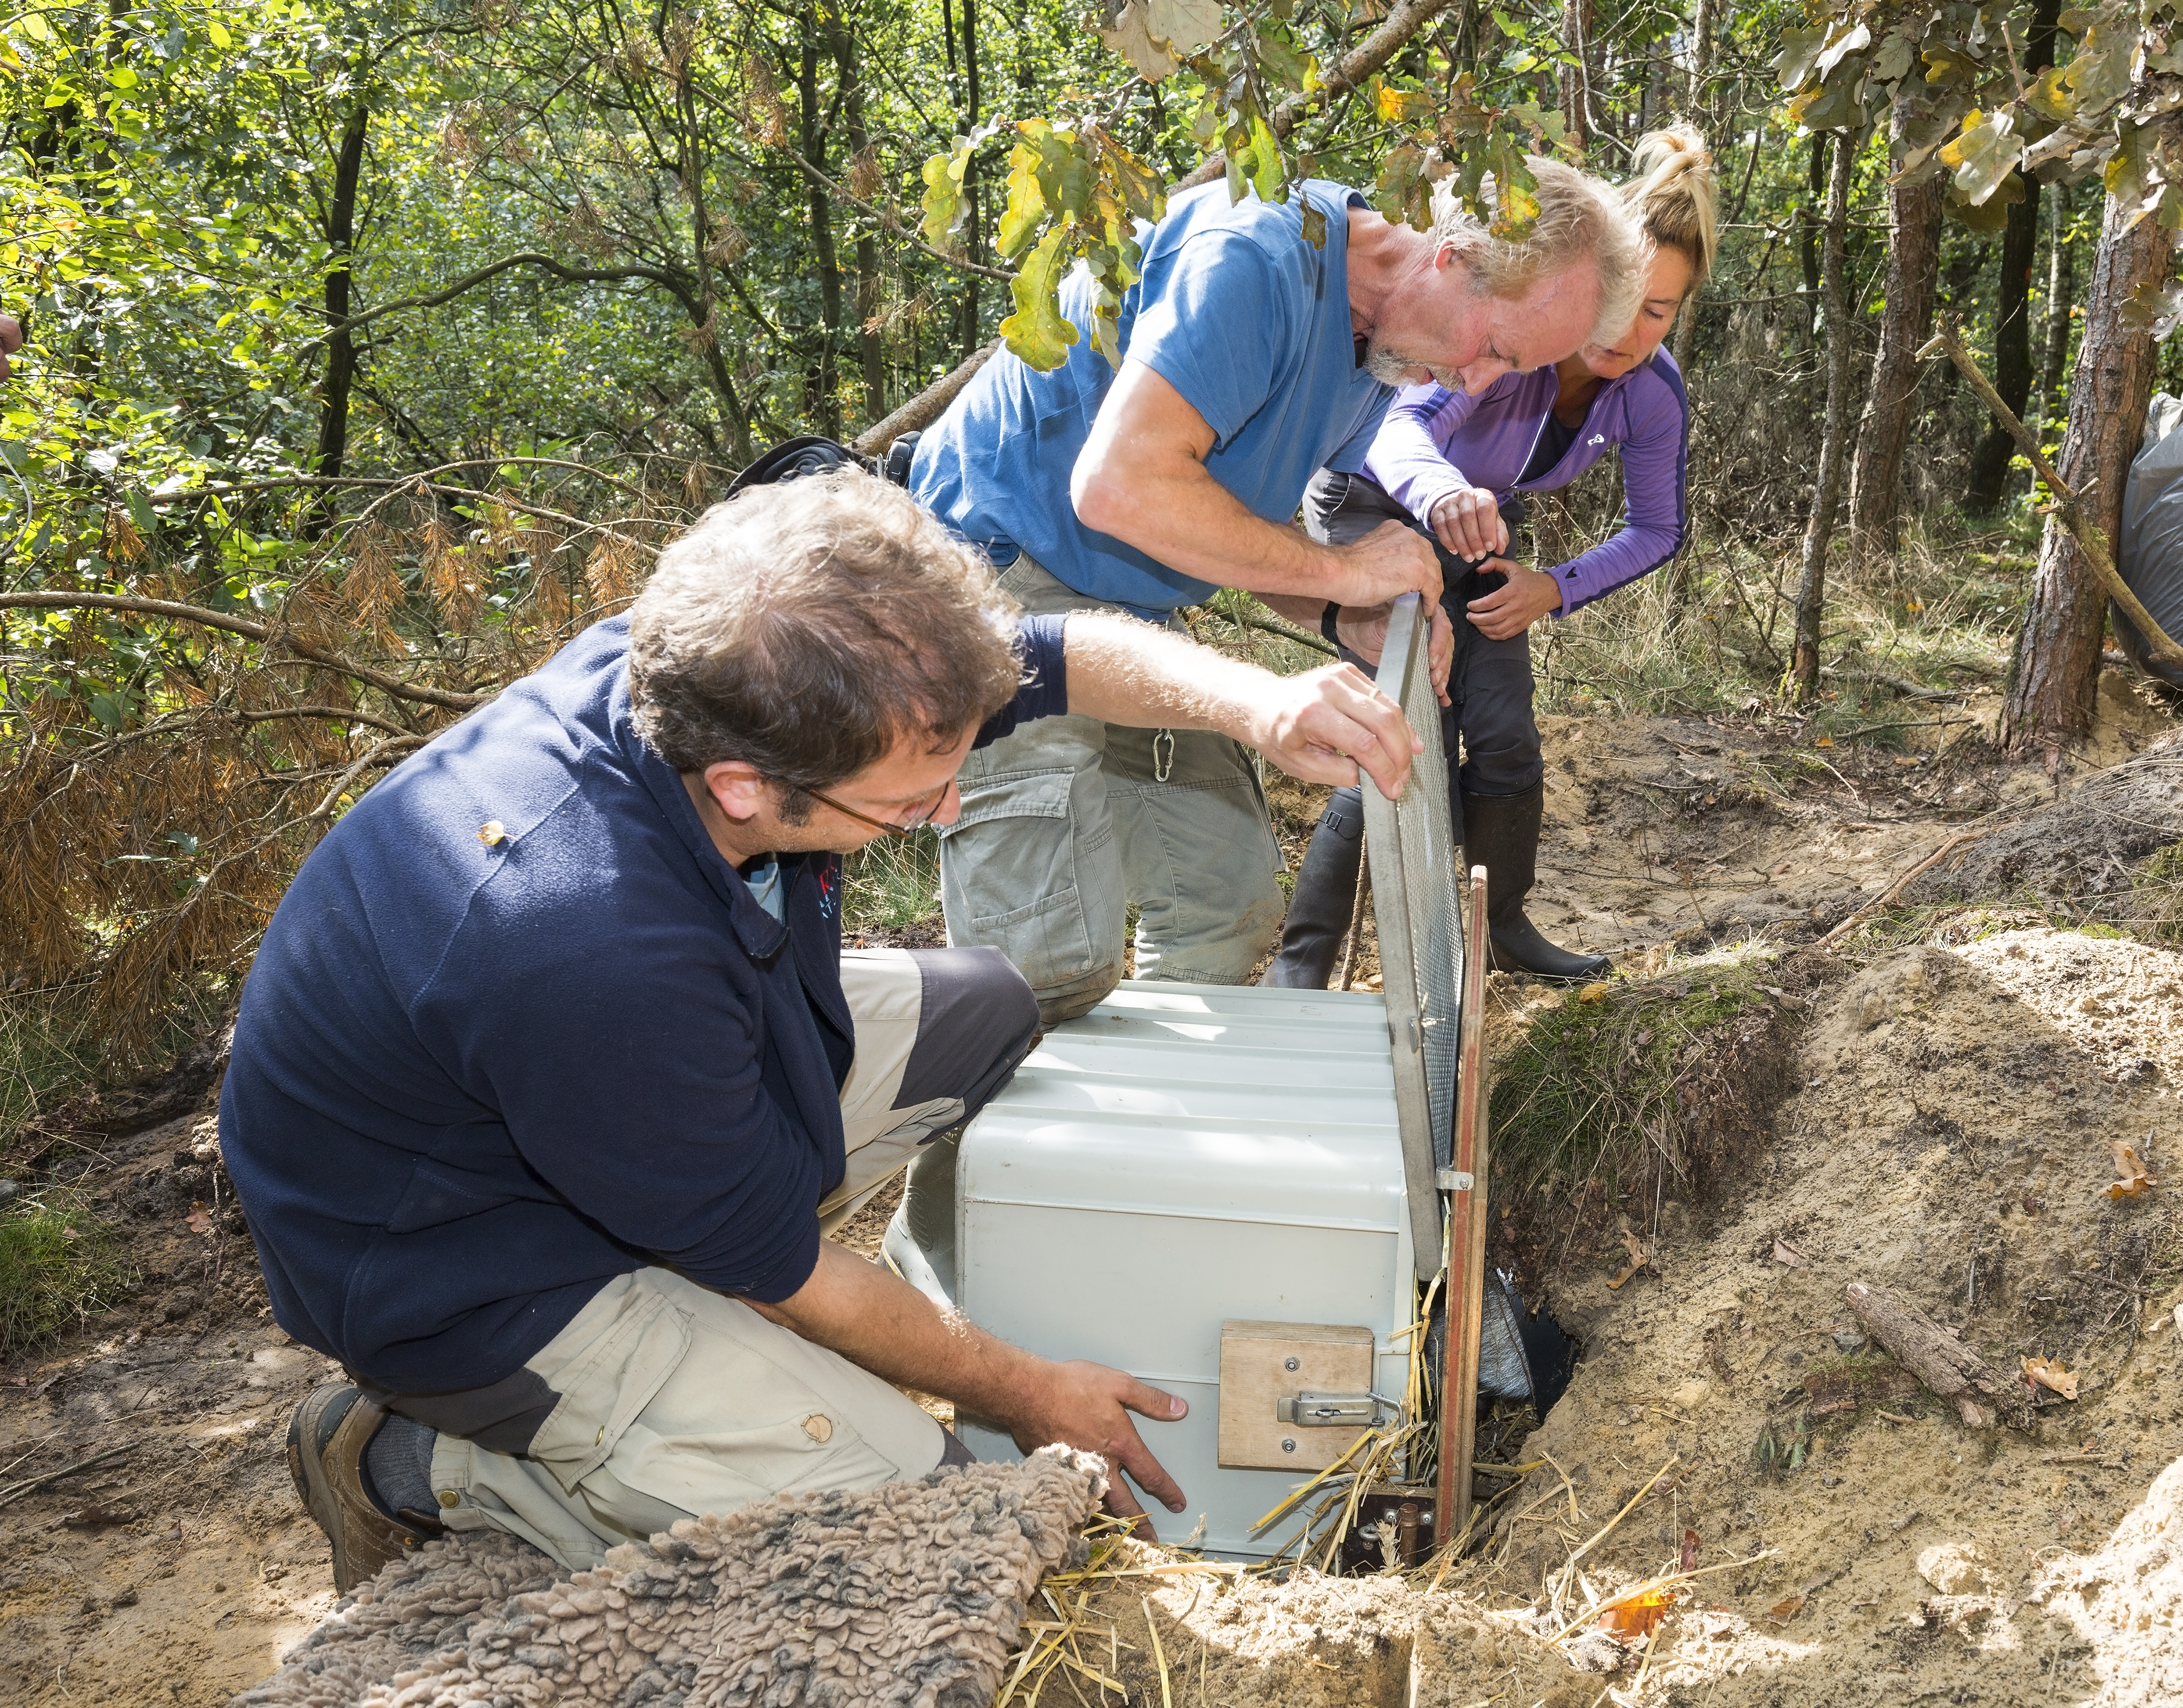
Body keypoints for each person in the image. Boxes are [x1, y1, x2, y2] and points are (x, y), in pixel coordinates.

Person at [223, 466, 1423, 1590]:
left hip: (611, 1101)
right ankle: (417, 1460)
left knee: (992, 1009)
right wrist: (1024, 1385)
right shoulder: (589, 947)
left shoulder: (755, 663)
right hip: (472, 1265)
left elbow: (1055, 653)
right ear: (745, 786)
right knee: (944, 1535)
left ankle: (716, 1286)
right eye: (909, 801)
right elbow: (788, 1275)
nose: (948, 808)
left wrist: (1260, 704)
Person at [907, 158, 1643, 1028]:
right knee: (1046, 969)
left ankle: (1155, 1105)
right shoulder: (1253, 260)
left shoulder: (1382, 349)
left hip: (1128, 611)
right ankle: (1018, 1104)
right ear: (1452, 259)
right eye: (1495, 351)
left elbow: (1232, 524)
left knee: (1226, 900)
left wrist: (1341, 612)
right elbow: (1118, 487)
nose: (1477, 383)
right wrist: (1347, 572)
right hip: (996, 582)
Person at [1264, 126, 1718, 987]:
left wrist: (1553, 587)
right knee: (1407, 731)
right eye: (1626, 300)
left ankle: (1502, 925)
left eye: (1659, 311)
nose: (1630, 330)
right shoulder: (1513, 341)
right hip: (1372, 501)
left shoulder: (1653, 395)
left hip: (1473, 532)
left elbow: (1659, 528)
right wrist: (1442, 492)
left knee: (1506, 731)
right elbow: (1400, 428)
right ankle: (1302, 964)